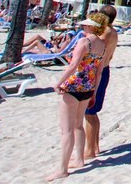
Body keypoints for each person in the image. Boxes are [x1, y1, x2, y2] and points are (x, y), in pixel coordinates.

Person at [47, 17, 106, 182]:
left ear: (89, 26)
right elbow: (99, 72)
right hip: (88, 87)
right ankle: (79, 159)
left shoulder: (84, 42)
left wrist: (58, 83)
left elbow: (73, 66)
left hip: (74, 86)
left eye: (85, 24)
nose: (83, 26)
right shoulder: (103, 45)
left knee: (66, 130)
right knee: (78, 124)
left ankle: (62, 169)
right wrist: (94, 91)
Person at [85, 7, 118, 160]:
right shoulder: (112, 31)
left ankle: (90, 150)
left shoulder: (105, 33)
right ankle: (94, 146)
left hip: (98, 72)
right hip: (103, 70)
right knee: (92, 113)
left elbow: (95, 50)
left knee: (89, 112)